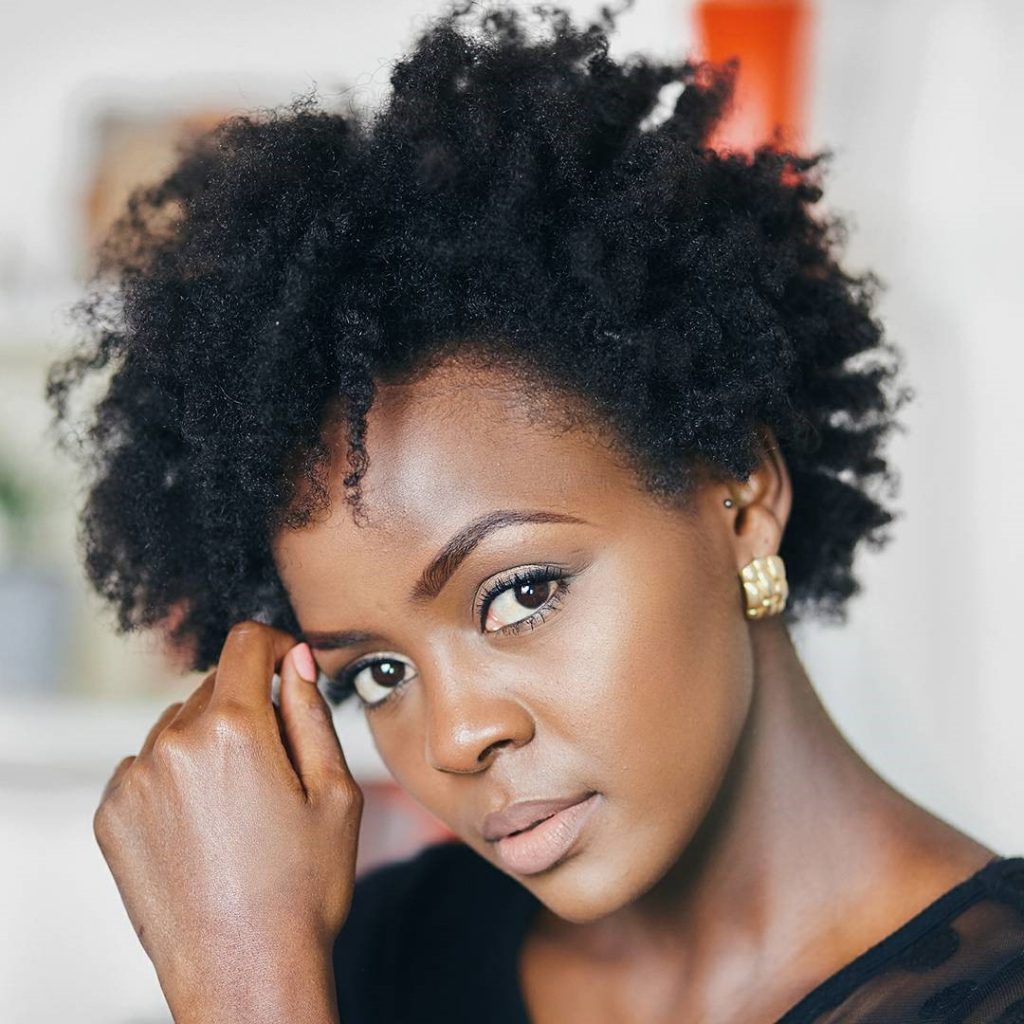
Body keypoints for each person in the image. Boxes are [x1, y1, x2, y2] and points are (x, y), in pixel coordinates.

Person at [45, 2, 1024, 1021]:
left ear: (743, 493)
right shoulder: (364, 956)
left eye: (519, 595)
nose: (457, 737)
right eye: (377, 672)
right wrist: (256, 957)